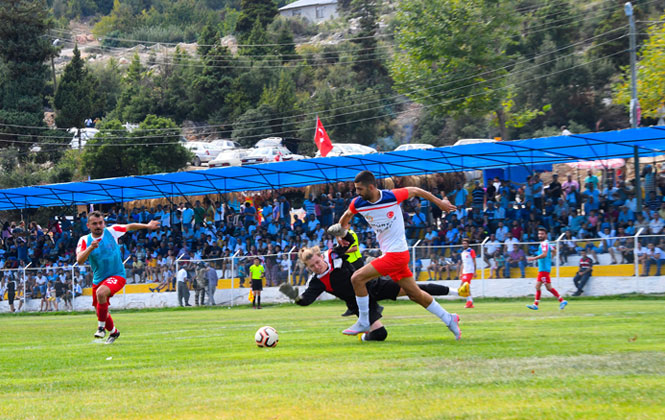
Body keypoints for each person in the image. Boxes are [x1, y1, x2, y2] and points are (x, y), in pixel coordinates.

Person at [330, 170, 461, 340]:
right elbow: (346, 216)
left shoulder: (391, 196)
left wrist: (440, 203)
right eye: (356, 189)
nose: (357, 193)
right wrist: (342, 235)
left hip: (397, 254)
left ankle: (364, 320)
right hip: (392, 255)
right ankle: (449, 318)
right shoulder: (358, 203)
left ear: (371, 187)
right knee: (415, 294)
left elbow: (416, 190)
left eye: (360, 189)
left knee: (357, 278)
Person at [288, 246, 467, 341]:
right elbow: (305, 300)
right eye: (312, 266)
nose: (317, 267)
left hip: (374, 285)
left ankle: (455, 294)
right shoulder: (317, 282)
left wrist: (346, 241)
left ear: (321, 257)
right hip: (358, 303)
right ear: (308, 268)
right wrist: (293, 295)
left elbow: (348, 244)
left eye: (318, 262)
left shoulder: (333, 256)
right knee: (380, 335)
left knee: (415, 290)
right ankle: (365, 335)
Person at [76, 210, 160, 343]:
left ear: (104, 223)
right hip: (99, 278)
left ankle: (101, 328)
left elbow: (129, 226)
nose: (98, 226)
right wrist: (90, 248)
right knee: (100, 310)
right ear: (88, 226)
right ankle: (114, 332)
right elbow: (79, 260)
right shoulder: (85, 240)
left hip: (117, 275)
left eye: (100, 223)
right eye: (94, 224)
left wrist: (147, 226)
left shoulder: (112, 231)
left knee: (101, 293)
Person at [526, 227, 568, 311]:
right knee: (538, 286)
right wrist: (550, 258)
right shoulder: (547, 243)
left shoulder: (544, 244)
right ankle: (536, 304)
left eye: (542, 234)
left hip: (544, 269)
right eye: (539, 234)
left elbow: (544, 254)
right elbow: (554, 250)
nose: (540, 235)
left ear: (546, 235)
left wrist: (534, 258)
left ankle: (562, 301)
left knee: (548, 287)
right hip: (543, 268)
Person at [458, 238, 475, 308]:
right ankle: (470, 302)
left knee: (463, 285)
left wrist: (475, 271)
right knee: (466, 286)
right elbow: (463, 263)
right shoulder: (463, 253)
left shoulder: (471, 251)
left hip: (470, 271)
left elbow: (474, 261)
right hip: (465, 271)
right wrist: (460, 272)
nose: (464, 244)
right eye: (463, 243)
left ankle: (469, 302)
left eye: (465, 243)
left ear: (468, 244)